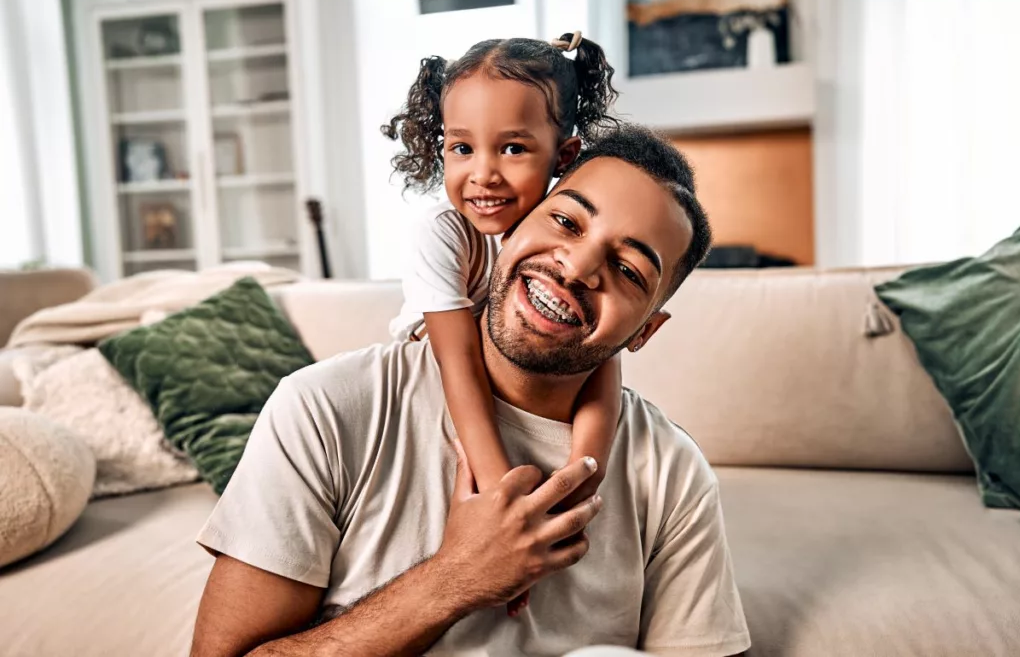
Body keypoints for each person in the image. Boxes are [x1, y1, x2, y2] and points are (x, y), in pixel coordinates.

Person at [191, 125, 751, 657]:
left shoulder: (672, 471)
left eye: (629, 270)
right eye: (566, 222)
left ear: (645, 331)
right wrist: (455, 579)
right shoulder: (327, 408)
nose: (577, 267)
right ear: (509, 222)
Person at [381, 35, 624, 566]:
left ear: (564, 155)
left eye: (512, 148)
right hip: (439, 394)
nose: (483, 174)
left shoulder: (567, 242)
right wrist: (502, 504)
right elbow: (458, 361)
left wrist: (582, 476)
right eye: (461, 148)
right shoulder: (444, 234)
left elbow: (601, 356)